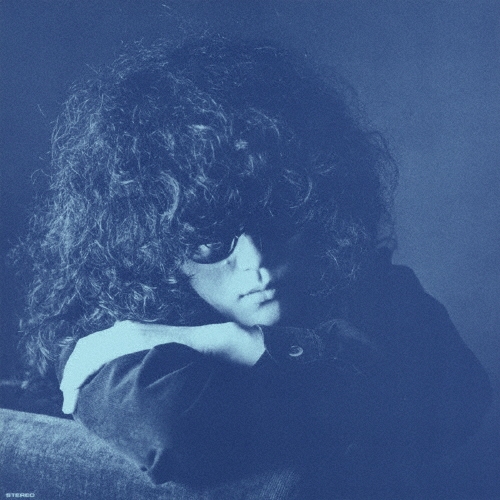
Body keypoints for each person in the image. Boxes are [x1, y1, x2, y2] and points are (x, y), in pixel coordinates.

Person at [18, 36, 491, 498]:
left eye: (275, 222)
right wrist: (363, 389)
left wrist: (235, 343)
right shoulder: (111, 340)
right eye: (211, 241)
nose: (257, 262)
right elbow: (172, 429)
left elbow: (462, 396)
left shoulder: (358, 281)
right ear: (153, 246)